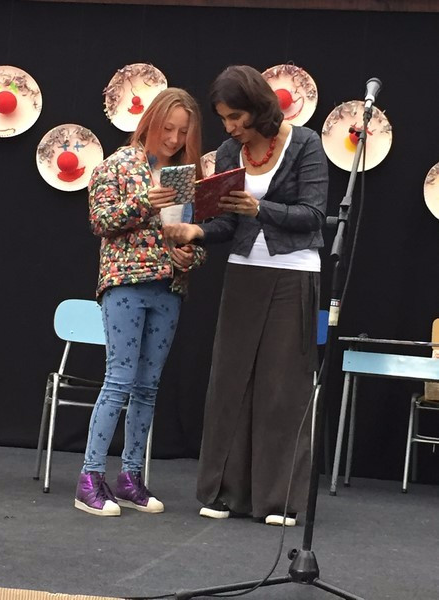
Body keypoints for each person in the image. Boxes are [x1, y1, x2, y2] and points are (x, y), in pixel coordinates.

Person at [164, 66, 328, 526]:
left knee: (282, 387)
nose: (231, 126)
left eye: (236, 116)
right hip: (243, 272)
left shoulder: (306, 144)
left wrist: (261, 208)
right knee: (229, 383)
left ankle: (278, 500)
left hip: (294, 272)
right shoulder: (227, 152)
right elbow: (225, 223)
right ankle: (224, 494)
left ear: (258, 107)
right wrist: (195, 231)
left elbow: (314, 215)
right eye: (223, 118)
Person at [74, 88, 205, 517]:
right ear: (149, 122)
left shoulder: (186, 177)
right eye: (167, 128)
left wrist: (190, 255)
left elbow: (197, 237)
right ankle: (90, 478)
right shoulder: (118, 164)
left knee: (148, 387)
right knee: (119, 380)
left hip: (169, 288)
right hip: (125, 283)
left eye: (182, 132)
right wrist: (143, 202)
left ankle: (130, 477)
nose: (173, 139)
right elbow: (99, 221)